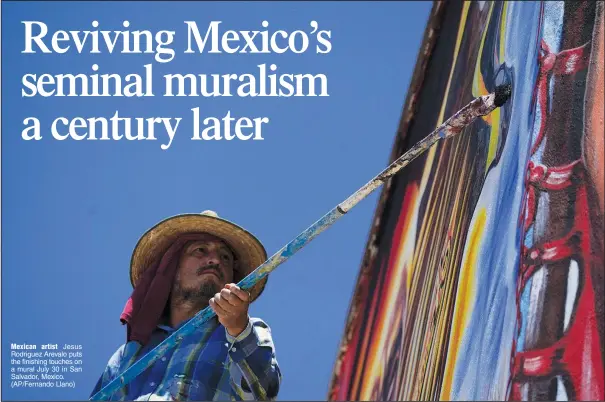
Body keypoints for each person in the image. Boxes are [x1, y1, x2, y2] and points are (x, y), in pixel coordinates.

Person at [90, 210, 281, 401]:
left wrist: (239, 328)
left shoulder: (246, 333)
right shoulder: (124, 358)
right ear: (171, 268)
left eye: (225, 258)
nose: (215, 260)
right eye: (200, 250)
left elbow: (264, 391)